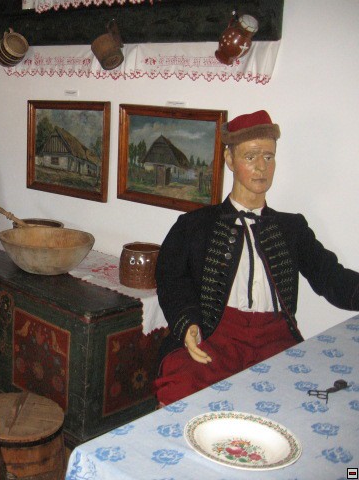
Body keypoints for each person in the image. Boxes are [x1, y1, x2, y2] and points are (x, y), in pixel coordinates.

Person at [153, 110, 359, 405]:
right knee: (181, 386)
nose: (262, 167)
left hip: (275, 341)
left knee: (303, 399)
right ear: (229, 159)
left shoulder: (291, 228)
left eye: (269, 156)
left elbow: (330, 276)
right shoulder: (195, 225)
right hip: (216, 335)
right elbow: (171, 278)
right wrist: (188, 323)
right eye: (250, 157)